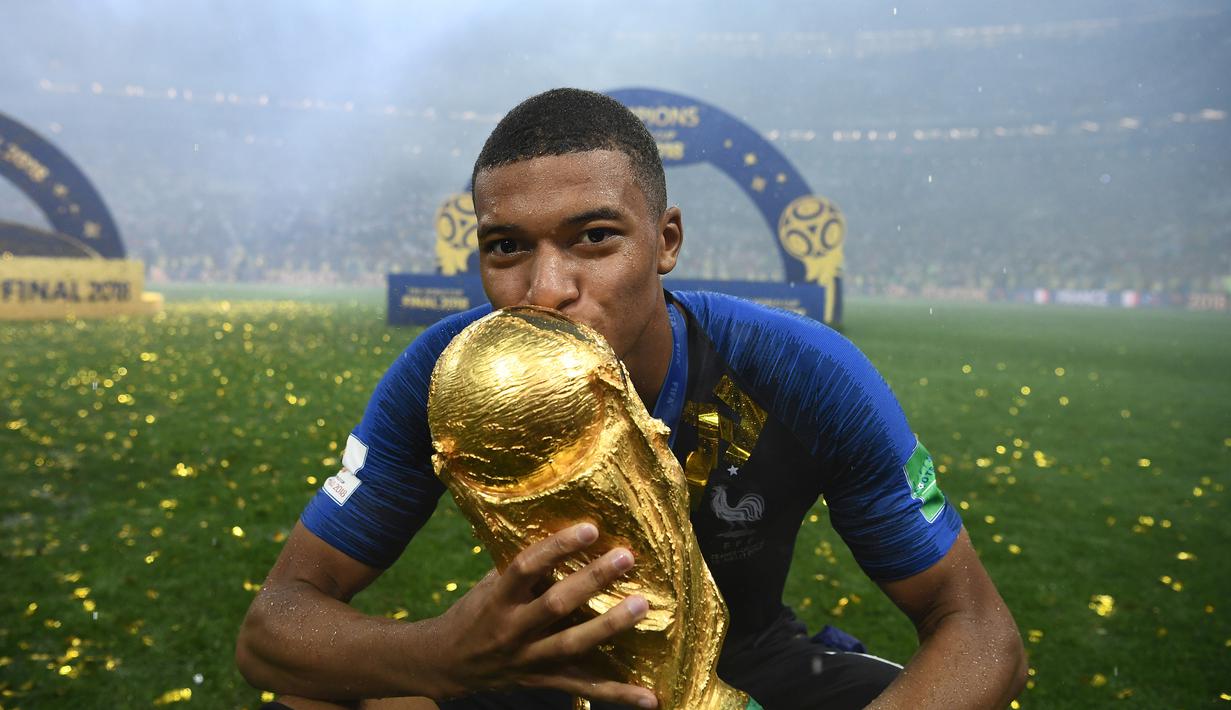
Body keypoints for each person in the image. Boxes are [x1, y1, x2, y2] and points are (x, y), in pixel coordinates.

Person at [237, 88, 1026, 709]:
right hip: (539, 671)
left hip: (751, 661)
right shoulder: (444, 376)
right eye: (507, 247)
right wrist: (437, 654)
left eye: (593, 238)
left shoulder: (797, 369)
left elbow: (980, 630)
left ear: (666, 241)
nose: (547, 290)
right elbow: (273, 628)